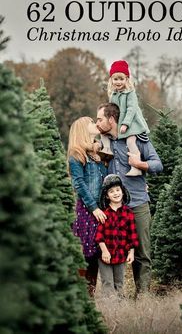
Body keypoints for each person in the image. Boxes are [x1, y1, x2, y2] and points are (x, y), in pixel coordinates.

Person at [96, 103, 163, 295]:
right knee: (110, 250)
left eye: (100, 119)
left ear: (111, 119)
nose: (98, 123)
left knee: (142, 253)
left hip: (138, 204)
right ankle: (115, 296)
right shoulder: (104, 143)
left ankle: (142, 297)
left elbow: (158, 164)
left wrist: (139, 164)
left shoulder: (137, 139)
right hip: (113, 209)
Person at [67, 117, 107, 296]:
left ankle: (90, 293)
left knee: (97, 252)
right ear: (83, 129)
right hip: (87, 211)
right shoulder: (77, 154)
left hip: (101, 209)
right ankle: (82, 294)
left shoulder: (96, 154)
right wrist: (94, 208)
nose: (95, 124)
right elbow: (79, 184)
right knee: (85, 253)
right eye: (92, 123)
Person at [102, 60, 150, 176]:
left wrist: (125, 124)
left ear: (126, 79)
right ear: (111, 80)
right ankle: (107, 150)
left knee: (130, 141)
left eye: (121, 79)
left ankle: (136, 166)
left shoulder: (130, 93)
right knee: (104, 134)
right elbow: (112, 110)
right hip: (120, 124)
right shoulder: (113, 95)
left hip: (132, 123)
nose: (118, 82)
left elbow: (131, 109)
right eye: (116, 79)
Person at [95, 174, 139, 297]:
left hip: (121, 254)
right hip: (105, 256)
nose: (115, 193)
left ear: (123, 192)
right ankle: (109, 310)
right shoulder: (104, 213)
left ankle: (120, 310)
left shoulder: (128, 213)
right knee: (107, 283)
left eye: (118, 190)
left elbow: (133, 235)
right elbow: (99, 236)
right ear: (107, 196)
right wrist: (104, 251)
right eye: (111, 191)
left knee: (119, 283)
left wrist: (131, 252)